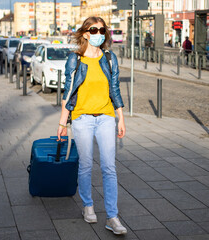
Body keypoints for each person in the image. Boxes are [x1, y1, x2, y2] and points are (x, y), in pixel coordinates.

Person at [57, 16, 127, 235]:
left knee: (109, 168)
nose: (98, 34)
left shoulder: (109, 59)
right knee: (86, 165)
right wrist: (62, 122)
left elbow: (114, 88)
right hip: (82, 119)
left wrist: (121, 117)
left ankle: (112, 217)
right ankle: (88, 206)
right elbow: (68, 92)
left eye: (102, 30)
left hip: (106, 117)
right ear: (85, 33)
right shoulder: (74, 59)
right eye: (94, 30)